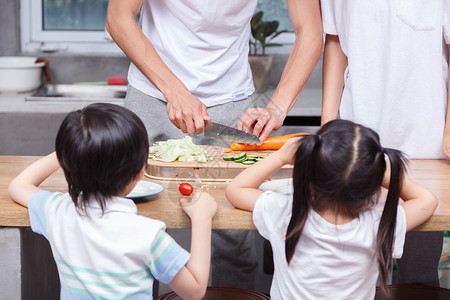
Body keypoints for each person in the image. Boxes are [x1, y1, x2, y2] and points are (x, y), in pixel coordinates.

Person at [106, 0, 323, 289]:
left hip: (232, 106)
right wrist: (174, 91)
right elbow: (118, 17)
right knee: (130, 228)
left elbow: (310, 30)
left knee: (233, 244)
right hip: (153, 95)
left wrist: (277, 107)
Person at [8, 103, 217, 300]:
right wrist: (201, 219)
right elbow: (195, 289)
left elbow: (19, 185)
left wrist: (73, 150)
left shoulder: (57, 212)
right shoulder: (148, 236)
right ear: (140, 171)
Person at [226, 119, 438, 299]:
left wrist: (282, 156)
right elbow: (426, 200)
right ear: (371, 186)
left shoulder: (286, 213)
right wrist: (381, 173)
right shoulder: (378, 225)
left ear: (310, 177)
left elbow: (236, 189)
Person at [320, 0, 449, 286]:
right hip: (358, 145)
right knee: (358, 265)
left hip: (424, 144)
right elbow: (335, 41)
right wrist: (328, 124)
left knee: (420, 268)